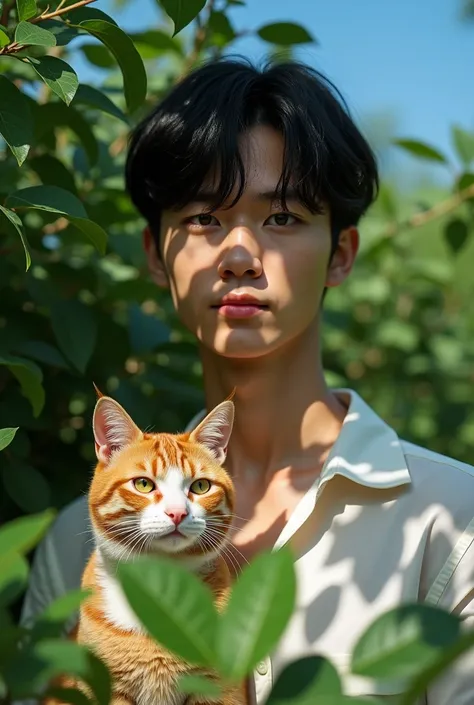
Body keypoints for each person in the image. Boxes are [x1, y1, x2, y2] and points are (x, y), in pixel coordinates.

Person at [21, 58, 474, 704]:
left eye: (281, 217)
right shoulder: (76, 542)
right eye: (204, 218)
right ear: (156, 253)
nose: (238, 254)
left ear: (341, 254)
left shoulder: (454, 522)